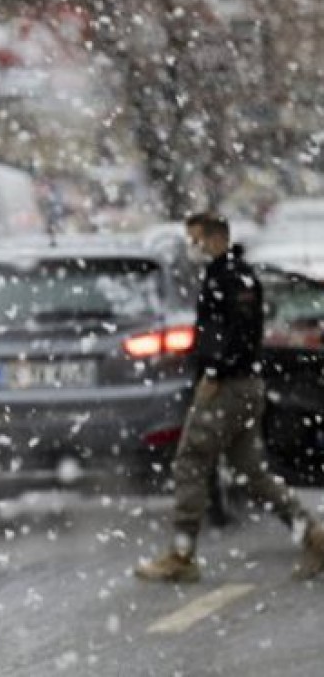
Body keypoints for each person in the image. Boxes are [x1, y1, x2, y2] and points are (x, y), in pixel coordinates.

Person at [135, 215, 324, 583]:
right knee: (251, 472)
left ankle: (182, 553)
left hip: (229, 386)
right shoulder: (226, 274)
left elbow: (238, 334)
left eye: (196, 240)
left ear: (215, 237)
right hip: (240, 383)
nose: (192, 249)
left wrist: (216, 374)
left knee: (190, 460)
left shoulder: (231, 278)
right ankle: (313, 535)